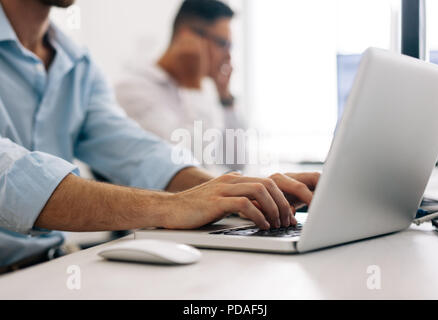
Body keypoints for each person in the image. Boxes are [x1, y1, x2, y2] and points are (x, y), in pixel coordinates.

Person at [0, 0, 319, 272]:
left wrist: (241, 194)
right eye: (221, 43)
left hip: (50, 265)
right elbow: (9, 175)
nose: (226, 54)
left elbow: (139, 152)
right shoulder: (136, 85)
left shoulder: (78, 65)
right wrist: (171, 205)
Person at [115, 0, 244, 170]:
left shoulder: (204, 90)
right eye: (222, 44)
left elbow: (236, 163)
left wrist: (225, 99)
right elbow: (190, 166)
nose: (228, 56)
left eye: (230, 46)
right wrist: (192, 85)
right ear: (187, 38)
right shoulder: (133, 90)